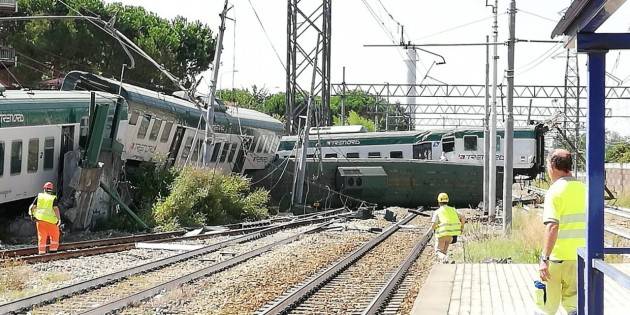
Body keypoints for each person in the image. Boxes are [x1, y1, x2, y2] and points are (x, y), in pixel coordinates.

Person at [536, 149, 585, 315]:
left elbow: (552, 227)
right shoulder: (584, 189)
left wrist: (544, 259)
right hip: (579, 257)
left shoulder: (555, 191)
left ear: (552, 166)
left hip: (556, 260)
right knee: (574, 306)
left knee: (546, 306)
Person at [28, 182, 62, 255]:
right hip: (51, 221)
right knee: (54, 235)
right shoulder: (52, 198)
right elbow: (55, 209)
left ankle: (41, 252)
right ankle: (53, 251)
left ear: (44, 189)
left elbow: (32, 207)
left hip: (40, 220)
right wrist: (59, 219)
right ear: (51, 190)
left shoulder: (39, 197)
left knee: (42, 236)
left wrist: (32, 215)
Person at [431, 192, 465, 263]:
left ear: (439, 202)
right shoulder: (453, 209)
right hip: (451, 236)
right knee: (444, 252)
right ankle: (445, 264)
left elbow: (434, 224)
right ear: (447, 201)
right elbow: (463, 217)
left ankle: (446, 259)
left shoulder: (437, 211)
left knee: (438, 252)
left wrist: (433, 229)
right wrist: (462, 227)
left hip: (442, 235)